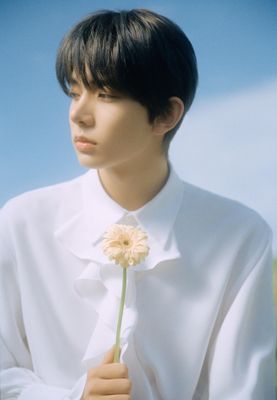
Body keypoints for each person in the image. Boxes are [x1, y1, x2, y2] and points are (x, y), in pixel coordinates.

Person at [0, 8, 275, 400]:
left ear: (165, 114)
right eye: (75, 92)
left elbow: (244, 392)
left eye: (106, 95)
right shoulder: (22, 222)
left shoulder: (239, 236)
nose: (79, 114)